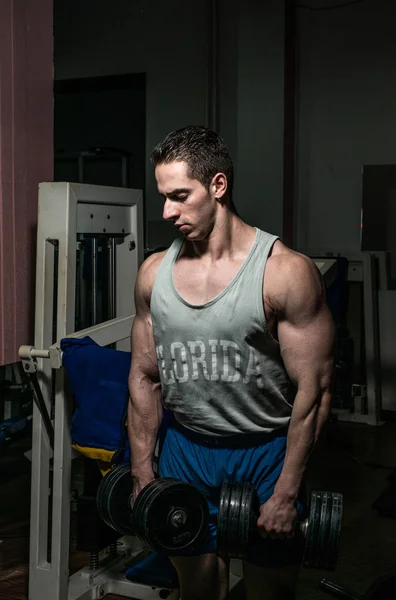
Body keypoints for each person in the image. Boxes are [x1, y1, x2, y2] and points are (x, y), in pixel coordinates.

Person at [127, 125, 335, 600]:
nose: (166, 212)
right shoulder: (154, 273)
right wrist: (143, 470)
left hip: (266, 453)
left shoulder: (284, 273)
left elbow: (316, 391)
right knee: (198, 591)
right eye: (163, 197)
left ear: (218, 186)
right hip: (186, 447)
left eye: (180, 195)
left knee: (270, 591)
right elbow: (143, 376)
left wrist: (287, 489)